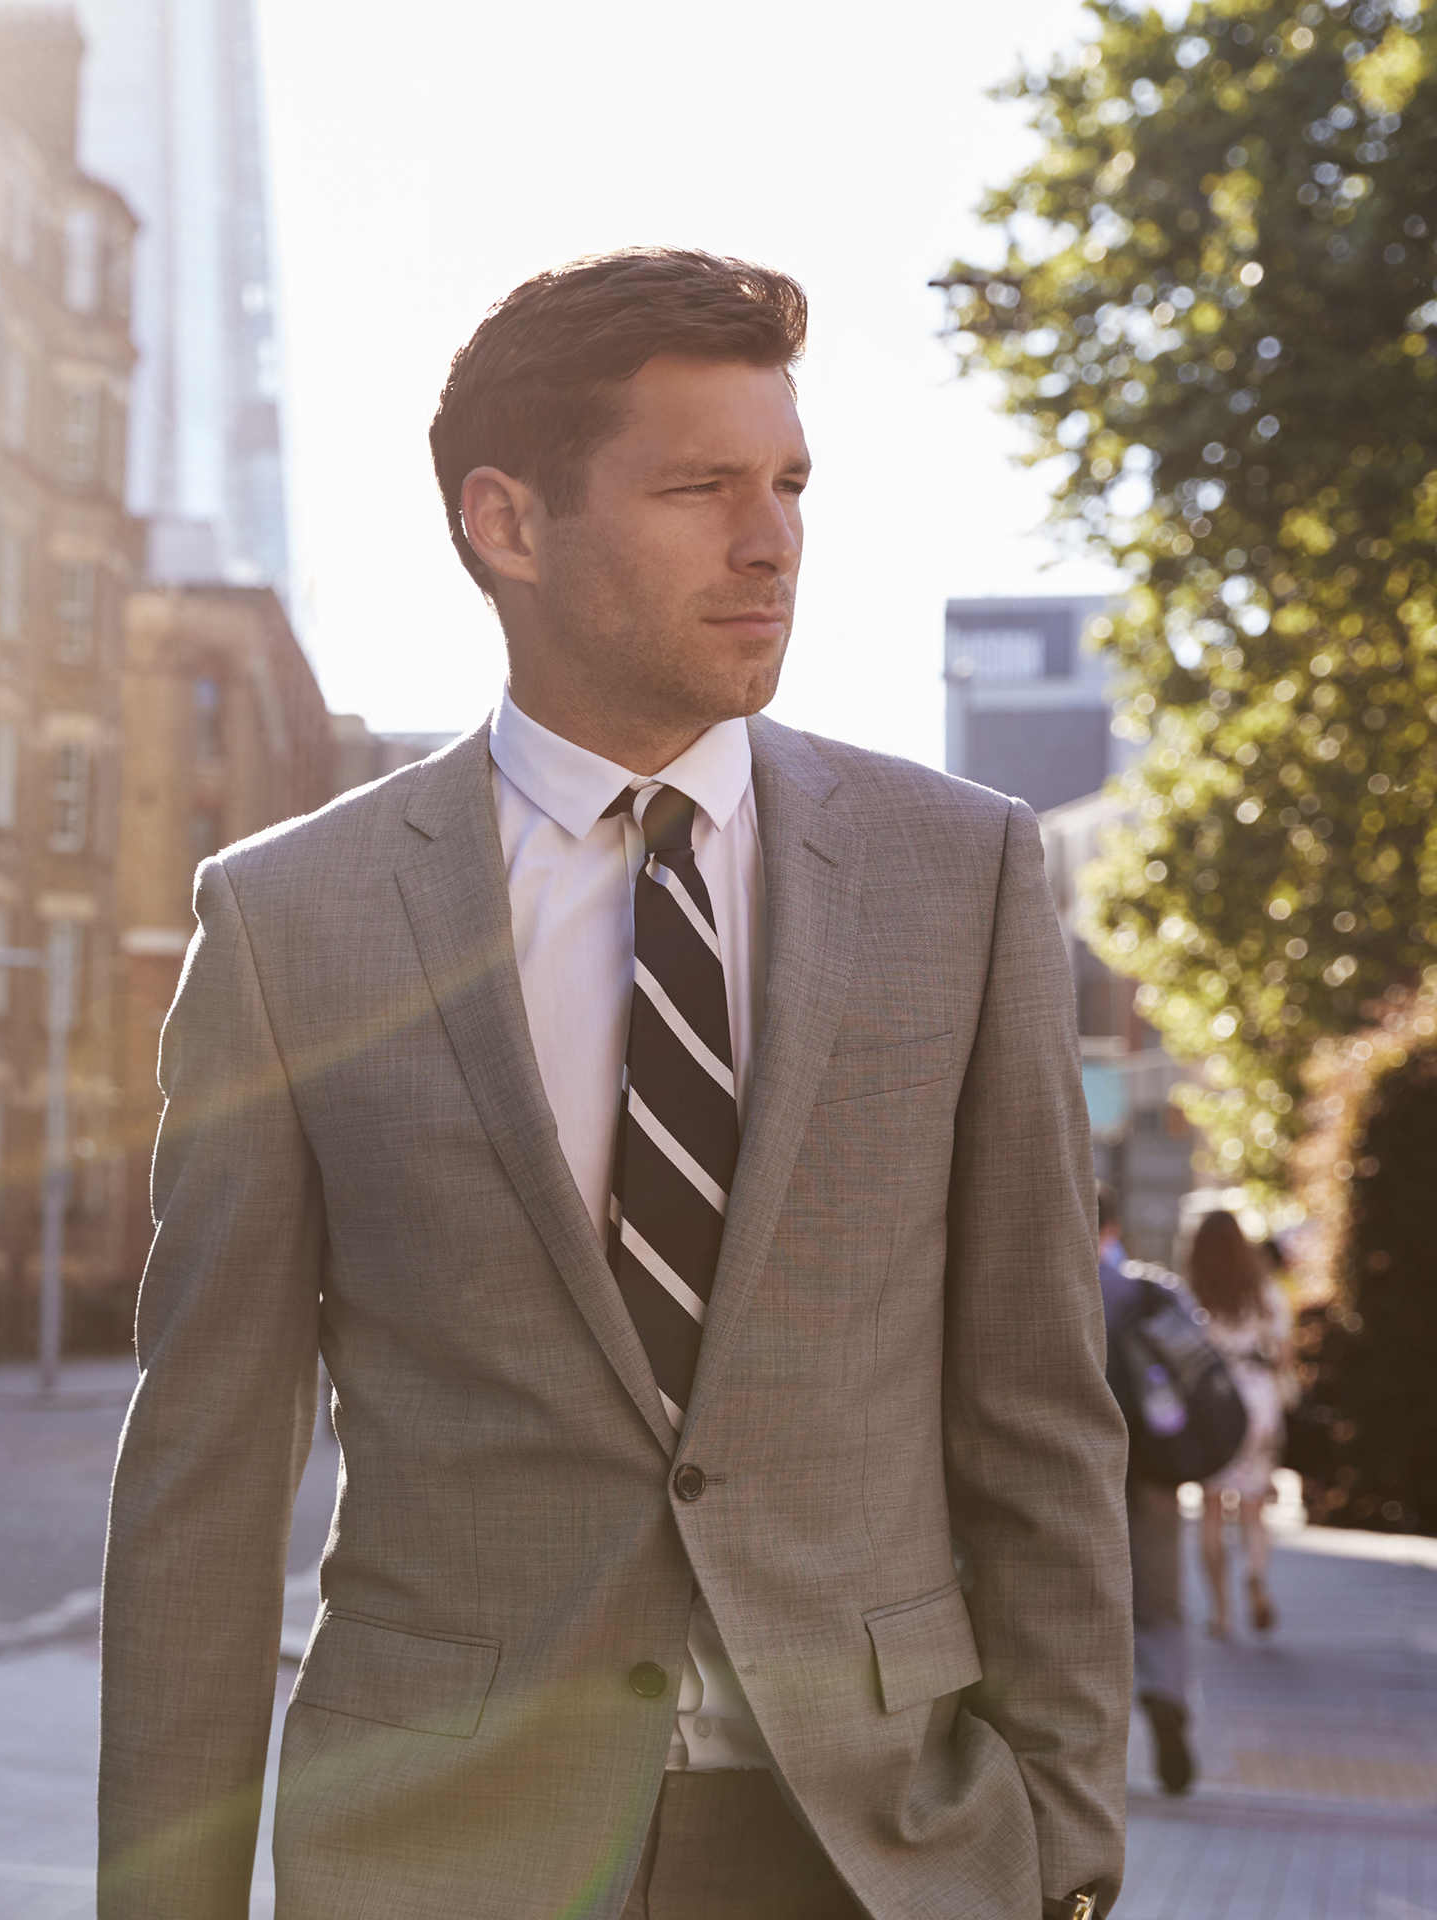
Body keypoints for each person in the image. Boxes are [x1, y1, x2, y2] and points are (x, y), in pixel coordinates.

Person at [98, 248, 1131, 1920]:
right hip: (441, 1849)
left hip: (875, 1852)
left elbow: (1035, 1400)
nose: (773, 538)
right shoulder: (290, 923)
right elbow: (204, 1478)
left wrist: (1067, 1851)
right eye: (700, 486)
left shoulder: (966, 874)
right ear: (509, 526)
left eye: (789, 483)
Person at [1096, 1185, 1195, 1797]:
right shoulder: (1155, 1292)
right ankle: (1168, 1697)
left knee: (1090, 1612)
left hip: (1082, 1477)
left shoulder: (1054, 1287)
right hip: (1156, 1474)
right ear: (1114, 1227)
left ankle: (1101, 1748)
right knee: (1160, 1608)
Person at [1188, 1210, 1294, 1638]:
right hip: (1258, 1400)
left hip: (1214, 1404)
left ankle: (1221, 1613)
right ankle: (1255, 1574)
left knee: (1211, 1508)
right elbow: (1284, 1355)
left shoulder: (1191, 1294)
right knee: (1253, 1507)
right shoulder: (1265, 1291)